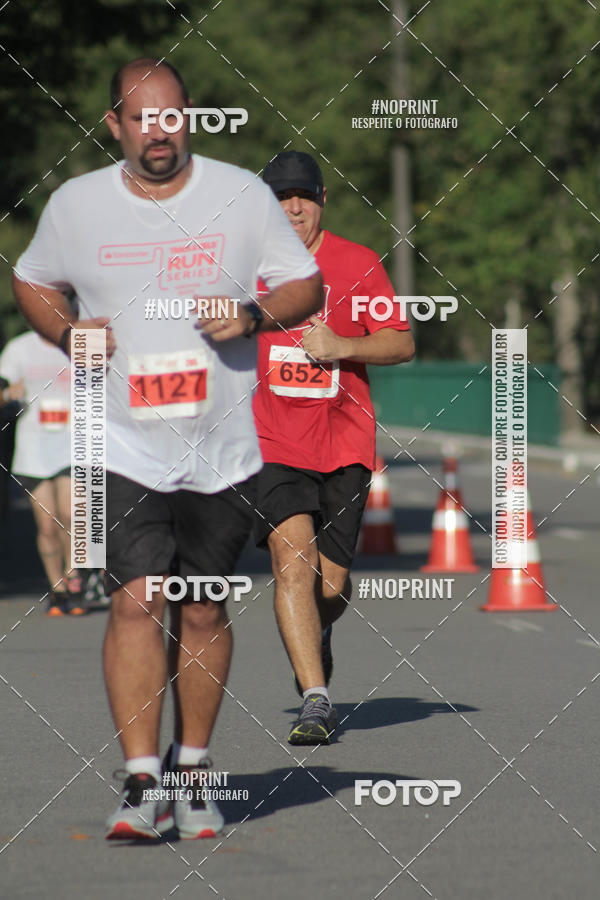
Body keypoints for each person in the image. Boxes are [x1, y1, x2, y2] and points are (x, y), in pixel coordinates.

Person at [13, 59, 322, 840]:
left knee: (204, 605)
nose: (159, 132)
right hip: (120, 440)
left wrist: (253, 314)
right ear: (115, 125)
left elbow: (304, 285)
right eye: (142, 119)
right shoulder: (77, 205)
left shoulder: (240, 196)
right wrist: (65, 330)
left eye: (173, 116)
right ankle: (142, 781)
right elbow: (34, 280)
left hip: (219, 445)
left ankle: (192, 768)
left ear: (191, 117)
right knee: (137, 597)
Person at [253, 151, 415, 745]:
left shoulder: (357, 263)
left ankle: (315, 637)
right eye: (281, 196)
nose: (293, 206)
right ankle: (316, 699)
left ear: (322, 199)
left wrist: (342, 344)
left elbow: (399, 343)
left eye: (304, 195)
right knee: (290, 560)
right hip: (269, 439)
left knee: (330, 585)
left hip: (344, 439)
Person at [0, 329, 86, 614]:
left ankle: (74, 580)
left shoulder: (87, 340)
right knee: (47, 525)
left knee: (71, 514)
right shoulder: (19, 347)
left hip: (75, 442)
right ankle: (56, 587)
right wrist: (9, 394)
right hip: (34, 447)